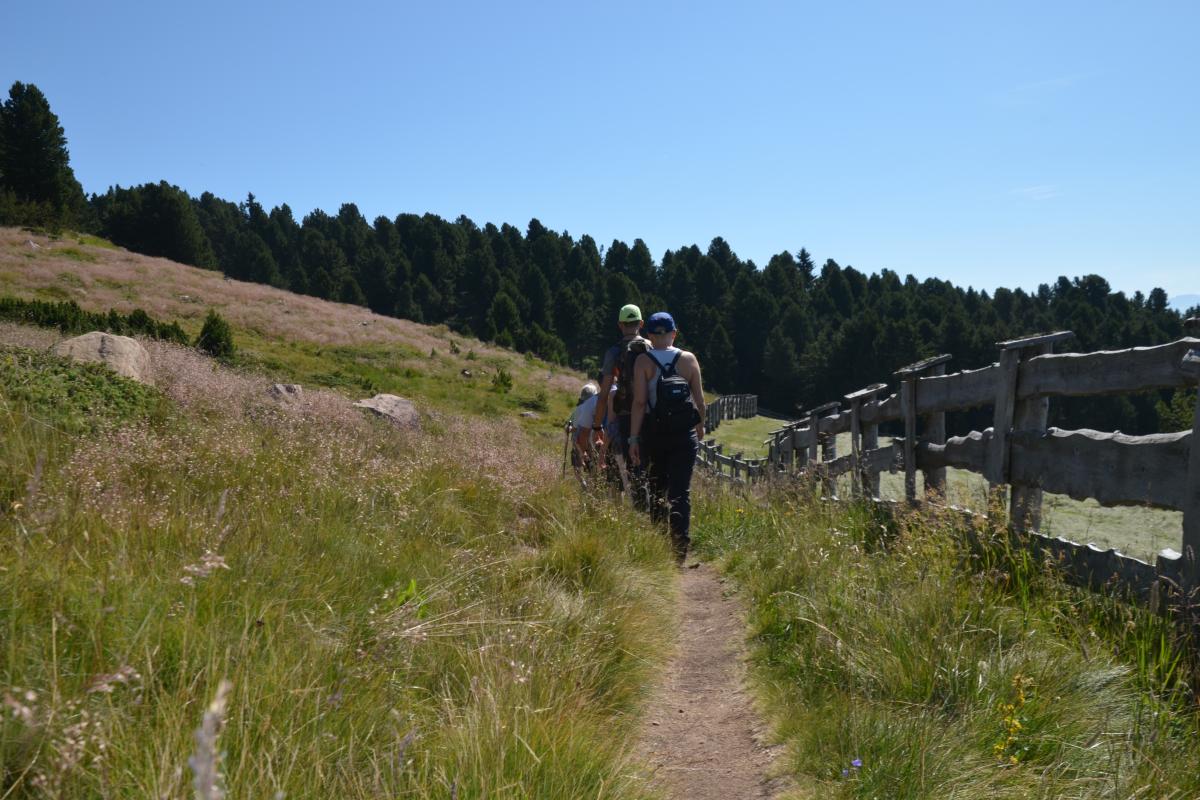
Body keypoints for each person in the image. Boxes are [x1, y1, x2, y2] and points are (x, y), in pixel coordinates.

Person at [627, 312, 705, 560]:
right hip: (684, 435)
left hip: (654, 434)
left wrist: (633, 438)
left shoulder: (643, 361)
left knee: (657, 488)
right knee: (681, 492)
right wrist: (700, 427)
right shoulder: (688, 359)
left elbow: (639, 403)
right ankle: (680, 548)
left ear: (650, 334)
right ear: (674, 333)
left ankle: (660, 545)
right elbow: (700, 401)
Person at [591, 303, 650, 504]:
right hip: (652, 415)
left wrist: (598, 425)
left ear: (620, 325)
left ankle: (637, 510)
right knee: (651, 466)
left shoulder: (614, 352)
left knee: (630, 467)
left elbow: (604, 393)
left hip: (626, 416)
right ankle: (654, 513)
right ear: (641, 323)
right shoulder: (652, 347)